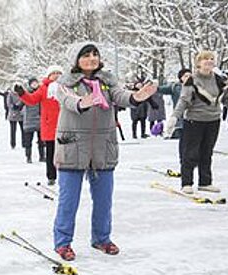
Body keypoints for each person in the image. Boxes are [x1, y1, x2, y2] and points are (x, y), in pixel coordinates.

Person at [52, 42, 156, 261]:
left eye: (95, 54)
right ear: (76, 59)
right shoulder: (65, 82)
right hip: (73, 147)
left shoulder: (108, 81)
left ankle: (101, 238)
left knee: (104, 199)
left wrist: (137, 96)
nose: (92, 58)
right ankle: (63, 243)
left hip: (103, 147)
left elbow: (121, 96)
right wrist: (83, 101)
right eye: (86, 55)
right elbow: (67, 100)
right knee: (68, 200)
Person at [165, 51, 228, 194]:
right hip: (194, 121)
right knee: (190, 153)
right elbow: (183, 100)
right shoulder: (192, 80)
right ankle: (187, 182)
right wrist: (174, 117)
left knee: (207, 152)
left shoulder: (219, 80)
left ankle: (205, 182)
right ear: (198, 63)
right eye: (205, 59)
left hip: (213, 121)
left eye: (211, 59)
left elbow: (227, 100)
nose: (209, 61)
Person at [15, 65, 63, 185]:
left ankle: (66, 176)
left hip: (65, 125)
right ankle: (51, 176)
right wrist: (22, 93)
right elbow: (32, 100)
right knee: (51, 152)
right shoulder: (43, 89)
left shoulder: (66, 87)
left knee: (66, 153)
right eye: (54, 73)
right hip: (50, 125)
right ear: (49, 75)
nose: (56, 75)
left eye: (59, 73)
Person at [19, 77, 45, 163]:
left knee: (41, 141)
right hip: (29, 120)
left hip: (40, 120)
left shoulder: (41, 92)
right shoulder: (26, 94)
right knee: (28, 141)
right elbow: (20, 104)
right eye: (33, 83)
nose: (34, 85)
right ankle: (28, 157)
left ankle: (42, 156)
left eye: (36, 83)